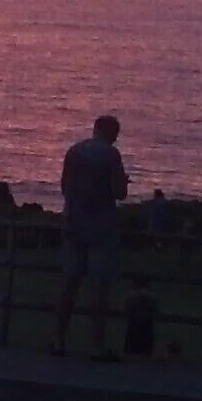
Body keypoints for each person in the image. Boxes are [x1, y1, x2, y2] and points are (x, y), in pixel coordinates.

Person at [55, 114, 129, 362]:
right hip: (101, 227)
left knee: (69, 285)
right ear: (112, 133)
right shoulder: (111, 155)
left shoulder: (75, 151)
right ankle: (96, 346)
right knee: (99, 289)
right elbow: (119, 192)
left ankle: (58, 340)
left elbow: (65, 187)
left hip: (73, 223)